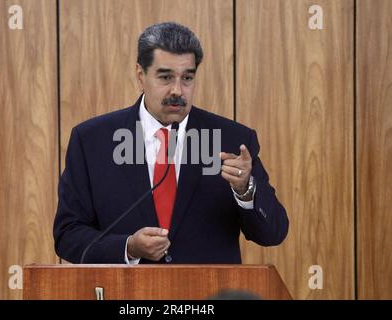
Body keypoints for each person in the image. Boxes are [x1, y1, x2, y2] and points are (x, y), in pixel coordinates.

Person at [53, 22, 288, 264]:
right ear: (140, 75)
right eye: (165, 77)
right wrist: (128, 247)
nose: (177, 90)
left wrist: (245, 189)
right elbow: (67, 235)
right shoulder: (92, 140)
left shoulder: (232, 140)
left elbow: (273, 233)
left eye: (187, 78)